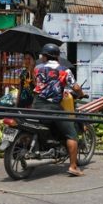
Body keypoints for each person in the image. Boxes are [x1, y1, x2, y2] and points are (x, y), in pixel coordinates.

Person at [32, 43, 85, 177]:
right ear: (57, 57)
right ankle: (73, 166)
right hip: (53, 108)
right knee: (71, 134)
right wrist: (81, 95)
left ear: (45, 56)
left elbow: (37, 84)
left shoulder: (37, 68)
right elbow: (76, 87)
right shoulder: (64, 70)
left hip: (36, 105)